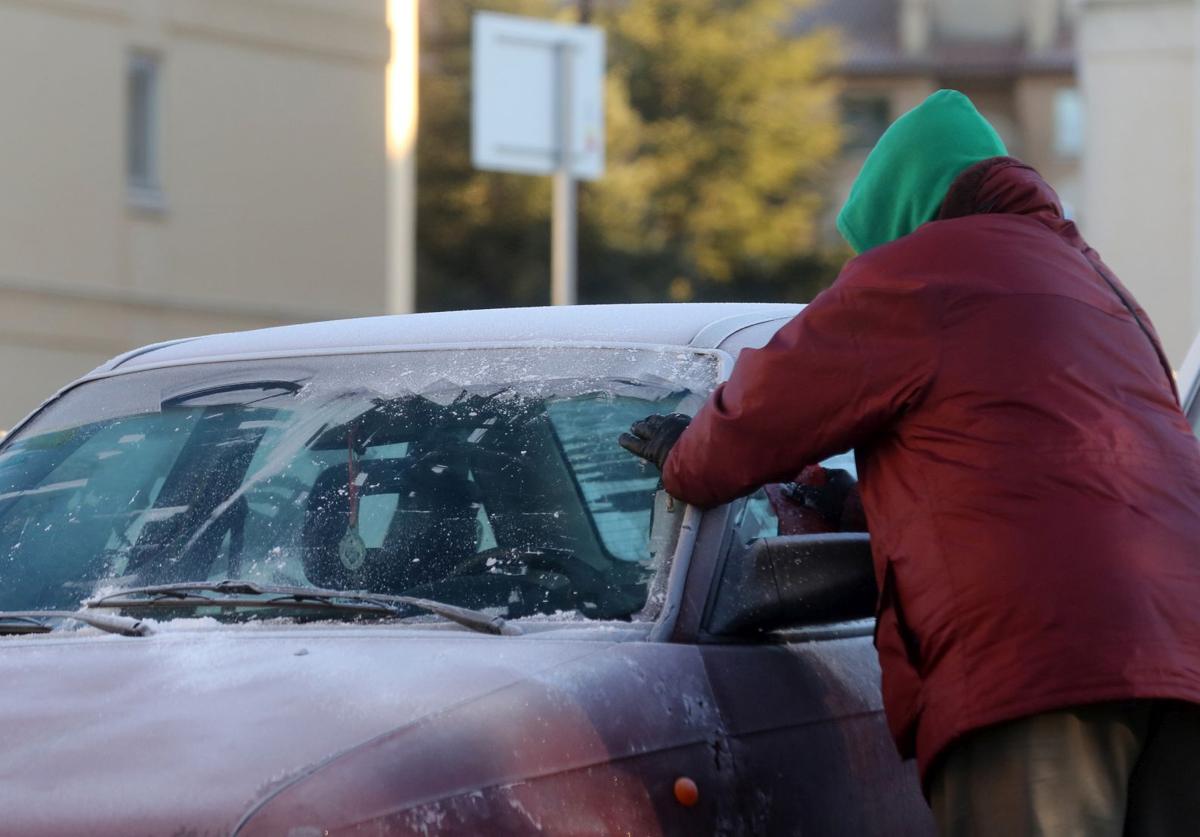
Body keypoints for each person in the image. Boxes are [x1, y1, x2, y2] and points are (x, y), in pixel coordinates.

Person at [619, 90, 1200, 836]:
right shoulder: (1098, 286)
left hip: (1037, 666)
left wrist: (685, 454)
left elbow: (763, 410)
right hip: (1182, 655)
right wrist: (855, 508)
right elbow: (1053, 476)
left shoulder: (918, 274)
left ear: (901, 215)